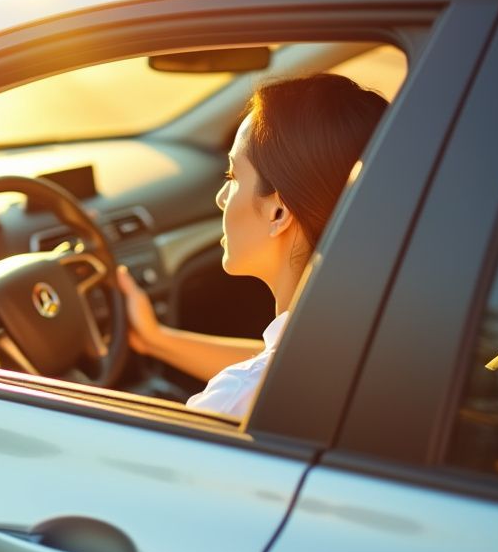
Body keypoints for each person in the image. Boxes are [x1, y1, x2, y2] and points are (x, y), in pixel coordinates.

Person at [117, 73, 388, 418]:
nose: (220, 198)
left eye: (232, 177)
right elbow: (280, 361)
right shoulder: (381, 335)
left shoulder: (233, 402)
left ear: (278, 212)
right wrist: (155, 339)